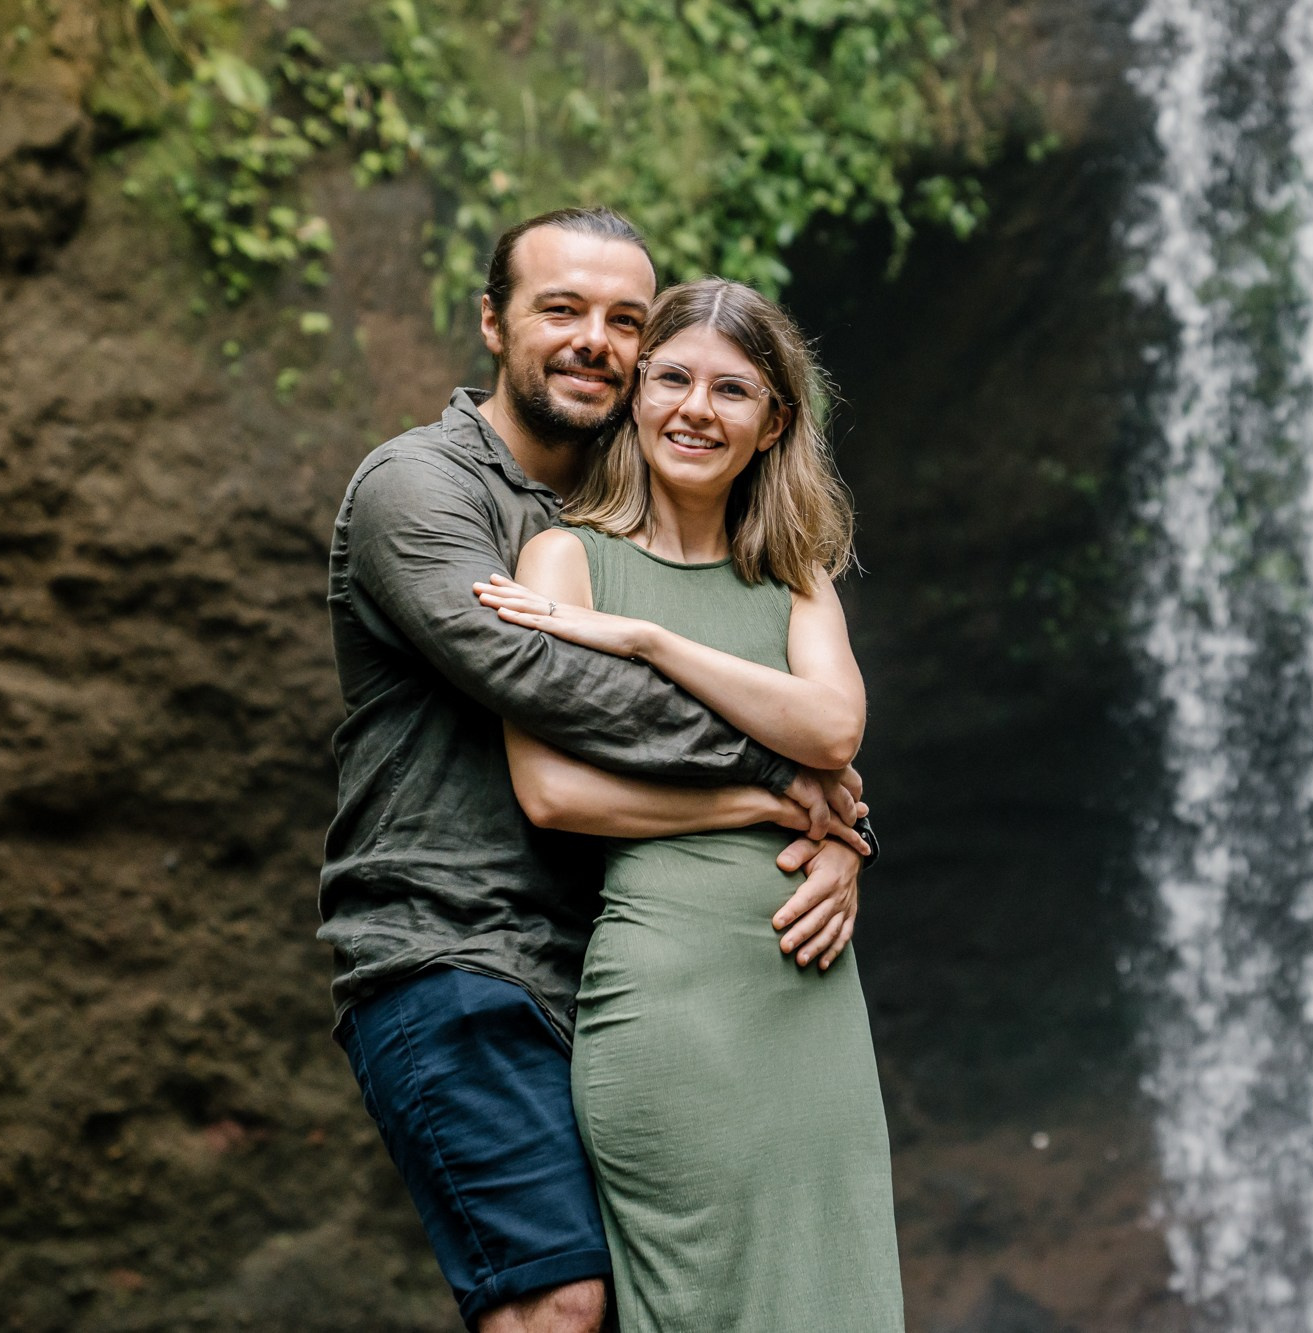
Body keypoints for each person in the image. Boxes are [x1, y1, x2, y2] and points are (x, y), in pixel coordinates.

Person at [319, 207, 872, 1333]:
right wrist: (792, 772)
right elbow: (542, 677)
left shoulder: (606, 516)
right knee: (558, 1302)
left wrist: (841, 833)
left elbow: (801, 704)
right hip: (453, 947)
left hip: (613, 964)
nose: (594, 339)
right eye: (559, 309)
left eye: (625, 319)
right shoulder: (420, 492)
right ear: (491, 322)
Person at [470, 277, 906, 1330]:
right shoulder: (564, 559)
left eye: (731, 390)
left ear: (773, 424)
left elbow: (831, 733)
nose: (694, 410)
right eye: (670, 378)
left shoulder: (795, 576)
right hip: (667, 1003)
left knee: (835, 1299)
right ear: (634, 396)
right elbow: (553, 791)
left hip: (808, 1006)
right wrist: (779, 813)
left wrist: (650, 641)